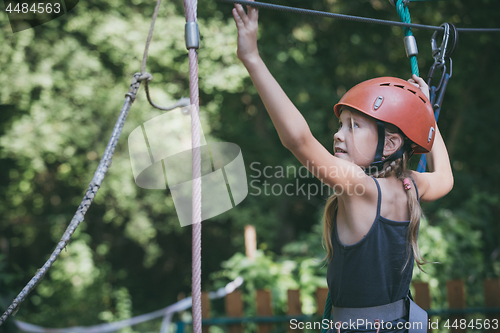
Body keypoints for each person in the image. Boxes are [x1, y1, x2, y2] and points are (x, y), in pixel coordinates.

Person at [232, 2, 453, 332]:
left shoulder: (358, 186)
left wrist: (252, 58)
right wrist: (428, 121)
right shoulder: (412, 185)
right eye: (340, 125)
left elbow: (298, 139)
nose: (338, 135)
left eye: (353, 126)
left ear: (390, 144)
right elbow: (446, 178)